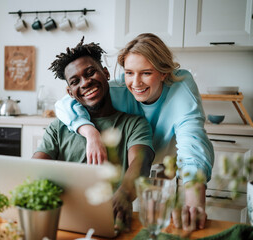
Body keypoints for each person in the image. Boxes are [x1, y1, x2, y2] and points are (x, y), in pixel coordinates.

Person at [0, 38, 155, 232]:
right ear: (70, 92)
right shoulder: (58, 128)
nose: (85, 83)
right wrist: (1, 184)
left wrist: (124, 195)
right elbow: (34, 170)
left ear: (105, 73)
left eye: (90, 72)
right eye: (75, 81)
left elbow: (140, 164)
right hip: (60, 223)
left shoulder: (134, 124)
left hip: (112, 221)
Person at [54, 33, 214, 231]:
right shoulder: (120, 87)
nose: (136, 83)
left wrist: (194, 201)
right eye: (129, 72)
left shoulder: (181, 88)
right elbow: (63, 104)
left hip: (174, 163)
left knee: (181, 220)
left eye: (146, 73)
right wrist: (91, 133)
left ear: (163, 72)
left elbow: (192, 145)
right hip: (142, 160)